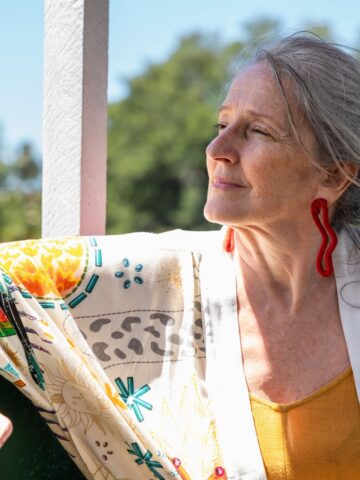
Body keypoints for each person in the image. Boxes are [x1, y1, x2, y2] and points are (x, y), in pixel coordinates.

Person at [0, 32, 359, 480]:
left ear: (334, 174)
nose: (217, 151)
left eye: (258, 131)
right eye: (221, 125)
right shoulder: (152, 272)